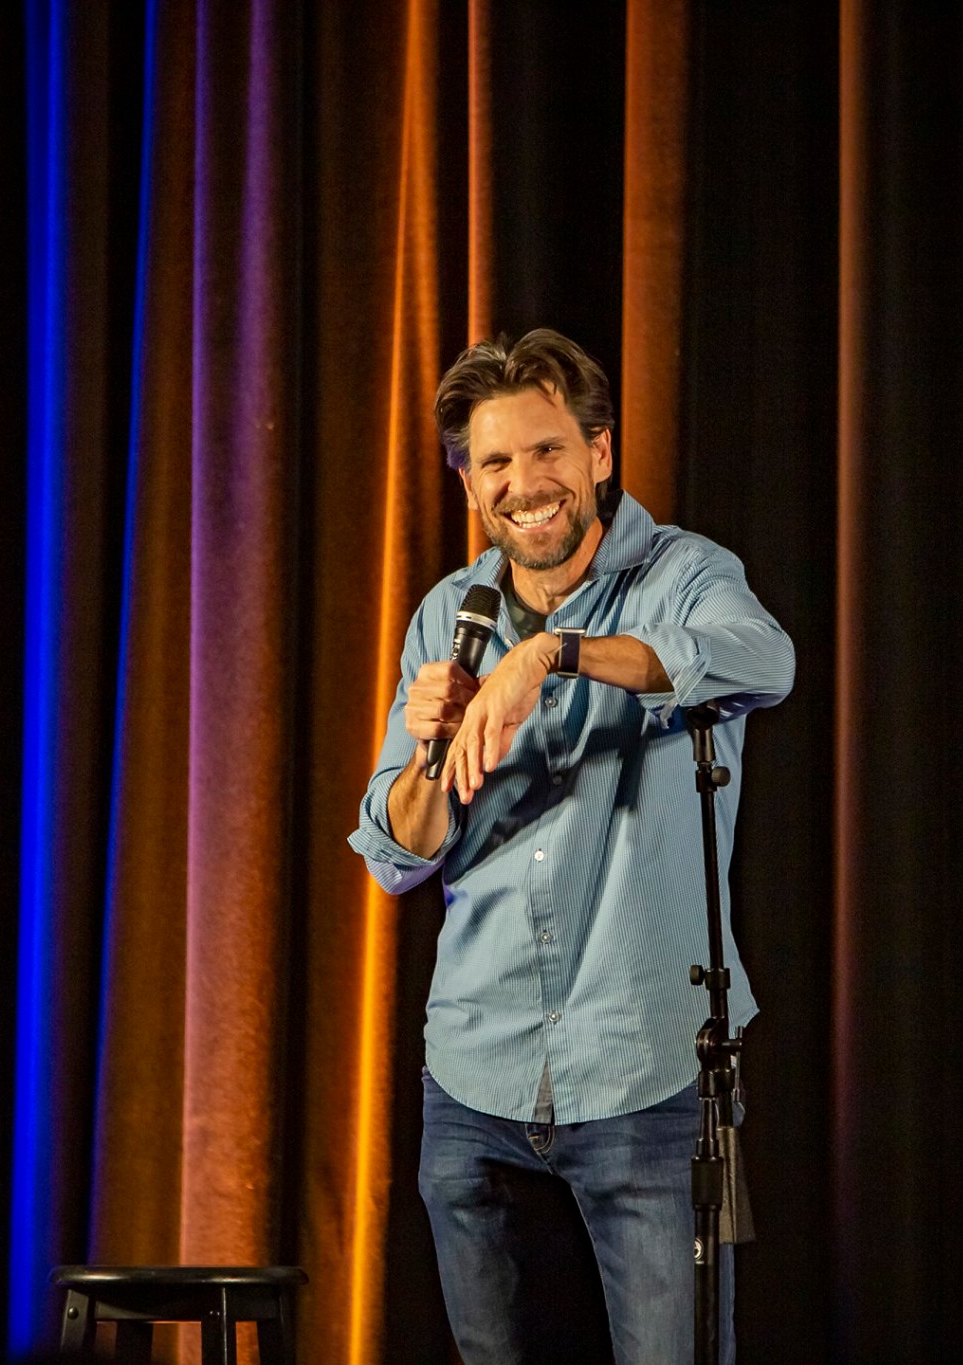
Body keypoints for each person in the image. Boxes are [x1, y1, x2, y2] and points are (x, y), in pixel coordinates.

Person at [350, 329, 793, 1364]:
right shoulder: (444, 618)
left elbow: (762, 661)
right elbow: (394, 853)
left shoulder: (683, 573)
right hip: (474, 1084)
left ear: (599, 453)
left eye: (547, 451)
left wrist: (550, 656)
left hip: (641, 1077)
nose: (524, 484)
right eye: (494, 463)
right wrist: (429, 751)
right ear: (469, 485)